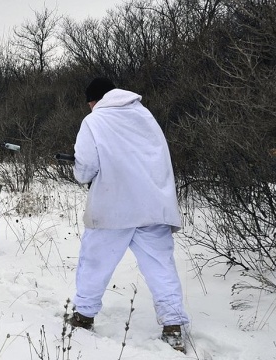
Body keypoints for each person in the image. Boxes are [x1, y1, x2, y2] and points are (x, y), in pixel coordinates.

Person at [68, 77, 189, 353]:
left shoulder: (94, 121)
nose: (89, 108)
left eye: (89, 103)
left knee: (95, 263)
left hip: (113, 208)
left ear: (94, 100)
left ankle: (83, 317)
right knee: (161, 267)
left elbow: (85, 167)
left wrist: (79, 172)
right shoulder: (144, 114)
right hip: (153, 206)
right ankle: (173, 328)